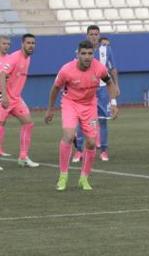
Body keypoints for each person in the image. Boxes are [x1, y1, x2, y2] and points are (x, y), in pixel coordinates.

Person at [45, 40, 119, 191]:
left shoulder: (99, 68)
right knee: (69, 136)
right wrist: (50, 109)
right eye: (83, 53)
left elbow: (110, 83)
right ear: (77, 54)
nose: (87, 57)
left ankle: (83, 178)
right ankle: (63, 176)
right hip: (70, 103)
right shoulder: (66, 70)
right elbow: (55, 88)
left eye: (90, 53)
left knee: (91, 142)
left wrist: (113, 103)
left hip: (89, 105)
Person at [73, 26, 119, 162]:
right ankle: (79, 151)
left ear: (99, 36)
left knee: (103, 120)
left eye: (96, 34)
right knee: (82, 121)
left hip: (102, 89)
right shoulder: (80, 51)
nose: (94, 36)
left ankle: (104, 151)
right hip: (86, 90)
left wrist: (116, 85)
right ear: (87, 35)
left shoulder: (106, 49)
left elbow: (113, 68)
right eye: (91, 34)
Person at [0, 33, 39, 168]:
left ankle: (23, 157)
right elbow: (2, 74)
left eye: (33, 43)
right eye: (28, 43)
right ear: (22, 44)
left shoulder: (27, 58)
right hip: (4, 96)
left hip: (16, 98)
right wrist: (4, 96)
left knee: (28, 123)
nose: (31, 45)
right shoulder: (14, 57)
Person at [0, 35, 12, 158]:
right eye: (4, 43)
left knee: (2, 122)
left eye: (8, 44)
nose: (6, 46)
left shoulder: (10, 58)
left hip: (5, 94)